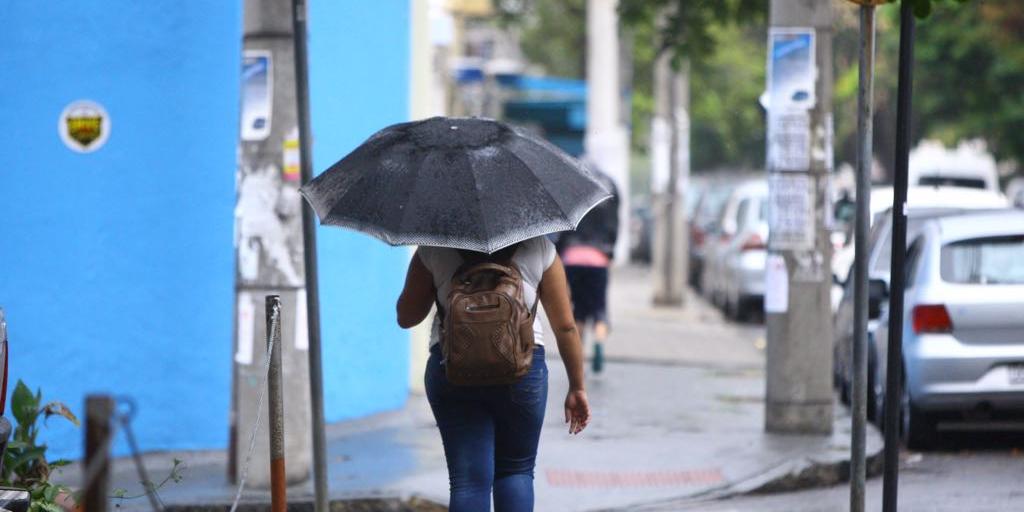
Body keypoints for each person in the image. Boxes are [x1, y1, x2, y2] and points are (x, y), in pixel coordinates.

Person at [396, 236, 591, 512]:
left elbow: (406, 317)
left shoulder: (433, 249)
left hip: (452, 370)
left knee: (468, 482)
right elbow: (566, 327)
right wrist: (577, 386)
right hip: (522, 371)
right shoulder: (540, 248)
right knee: (516, 471)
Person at [555, 166, 619, 373]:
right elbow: (613, 229)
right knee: (599, 308)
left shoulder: (571, 191)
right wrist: (609, 253)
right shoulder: (608, 190)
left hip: (572, 258)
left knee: (579, 311)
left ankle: (578, 356)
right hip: (598, 258)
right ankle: (599, 342)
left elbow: (562, 230)